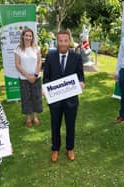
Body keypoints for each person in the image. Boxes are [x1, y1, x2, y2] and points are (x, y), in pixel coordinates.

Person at [43, 30, 85, 162]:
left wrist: (81, 83)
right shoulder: (50, 57)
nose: (63, 44)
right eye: (60, 41)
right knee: (55, 125)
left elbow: (80, 76)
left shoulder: (76, 57)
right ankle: (55, 148)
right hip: (55, 100)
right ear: (57, 41)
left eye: (65, 41)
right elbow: (46, 78)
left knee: (70, 125)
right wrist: (46, 89)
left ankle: (70, 148)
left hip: (71, 100)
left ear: (69, 41)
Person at [14, 28, 43, 127]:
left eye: (30, 36)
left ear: (32, 37)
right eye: (26, 35)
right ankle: (28, 119)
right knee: (26, 98)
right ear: (23, 36)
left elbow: (39, 62)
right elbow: (17, 64)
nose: (28, 37)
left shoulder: (36, 48)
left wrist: (34, 75)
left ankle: (35, 117)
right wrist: (27, 76)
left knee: (36, 96)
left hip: (36, 77)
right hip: (24, 79)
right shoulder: (18, 49)